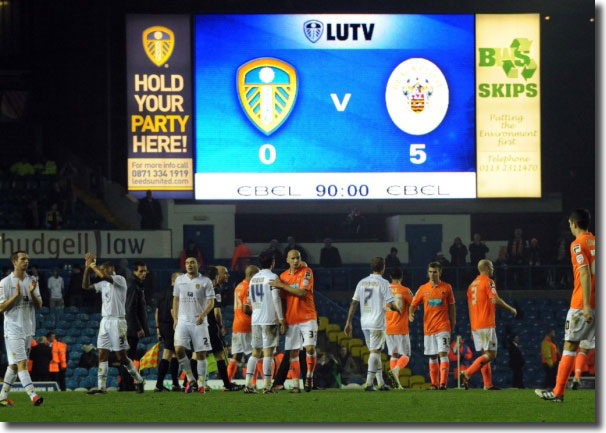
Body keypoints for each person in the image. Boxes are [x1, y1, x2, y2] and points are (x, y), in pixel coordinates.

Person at [536, 209, 595, 403]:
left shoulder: (577, 244)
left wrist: (586, 305)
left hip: (582, 303)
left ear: (574, 224)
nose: (570, 227)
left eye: (570, 224)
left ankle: (558, 392)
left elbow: (585, 273)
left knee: (570, 345)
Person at [81, 252, 145, 394]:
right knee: (102, 354)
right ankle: (101, 387)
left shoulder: (120, 279)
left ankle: (139, 380)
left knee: (121, 357)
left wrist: (92, 265)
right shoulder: (103, 284)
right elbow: (85, 286)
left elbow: (103, 276)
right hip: (105, 321)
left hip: (118, 322)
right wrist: (87, 268)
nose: (101, 271)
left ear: (111, 269)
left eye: (104, 269)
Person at [344, 257, 401, 391]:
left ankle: (380, 383)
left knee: (375, 352)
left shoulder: (362, 282)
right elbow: (391, 304)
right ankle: (369, 383)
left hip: (365, 322)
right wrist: (398, 310)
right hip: (377, 322)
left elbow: (354, 303)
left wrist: (348, 322)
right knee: (375, 352)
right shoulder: (384, 283)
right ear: (383, 267)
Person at [459, 259, 517, 391]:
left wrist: (472, 326)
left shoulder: (471, 285)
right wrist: (511, 309)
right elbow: (495, 299)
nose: (493, 269)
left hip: (476, 324)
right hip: (486, 323)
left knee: (485, 354)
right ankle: (467, 373)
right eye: (491, 267)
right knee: (492, 355)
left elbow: (469, 307)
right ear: (486, 268)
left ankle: (488, 384)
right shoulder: (489, 282)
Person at [269, 250, 318, 392]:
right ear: (287, 260)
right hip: (292, 319)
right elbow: (283, 300)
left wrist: (282, 285)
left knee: (310, 348)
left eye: (298, 258)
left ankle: (309, 375)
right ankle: (296, 385)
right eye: (293, 258)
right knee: (293, 352)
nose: (296, 261)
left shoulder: (306, 272)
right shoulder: (283, 276)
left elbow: (302, 292)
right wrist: (282, 319)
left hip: (308, 317)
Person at [0, 251, 44, 407]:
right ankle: (33, 395)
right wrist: (16, 295)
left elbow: (39, 305)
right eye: (23, 259)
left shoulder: (33, 281)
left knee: (13, 365)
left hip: (28, 329)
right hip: (13, 329)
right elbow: (1, 308)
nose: (26, 262)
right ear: (14, 262)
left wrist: (32, 293)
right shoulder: (4, 283)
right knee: (22, 364)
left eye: (28, 259)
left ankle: (2, 397)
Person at [243, 251, 285, 394]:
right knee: (268, 353)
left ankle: (248, 384)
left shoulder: (254, 278)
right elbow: (276, 299)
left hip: (255, 320)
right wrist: (281, 318)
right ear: (272, 262)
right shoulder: (272, 277)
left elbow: (249, 302)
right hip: (269, 319)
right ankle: (267, 385)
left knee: (255, 352)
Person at [409, 261, 455, 390]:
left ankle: (443, 384)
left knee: (443, 353)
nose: (432, 274)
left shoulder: (447, 287)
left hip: (443, 326)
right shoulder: (423, 288)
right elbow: (413, 304)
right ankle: (434, 384)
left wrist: (453, 321)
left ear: (440, 273)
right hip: (428, 328)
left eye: (435, 272)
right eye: (430, 271)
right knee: (432, 356)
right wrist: (410, 314)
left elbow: (452, 306)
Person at [172, 256, 214, 394]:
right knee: (178, 350)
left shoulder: (205, 281)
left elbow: (211, 302)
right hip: (183, 321)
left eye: (192, 262)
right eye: (187, 263)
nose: (189, 265)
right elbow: (176, 300)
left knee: (201, 354)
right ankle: (191, 379)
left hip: (199, 321)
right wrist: (175, 319)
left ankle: (202, 382)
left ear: (198, 264)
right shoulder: (179, 280)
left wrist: (203, 315)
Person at [204, 265, 243, 391]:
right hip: (211, 326)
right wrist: (220, 326)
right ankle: (227, 384)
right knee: (220, 355)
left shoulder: (201, 288)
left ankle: (193, 382)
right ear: (218, 275)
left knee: (198, 354)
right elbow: (216, 312)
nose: (228, 275)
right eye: (225, 273)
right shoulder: (215, 289)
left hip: (200, 326)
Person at [120, 261, 150, 391]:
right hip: (131, 328)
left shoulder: (136, 285)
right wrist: (138, 328)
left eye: (145, 271)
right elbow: (130, 308)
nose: (144, 274)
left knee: (129, 357)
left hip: (130, 327)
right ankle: (126, 385)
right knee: (128, 358)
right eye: (141, 271)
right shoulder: (133, 285)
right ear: (134, 272)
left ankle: (125, 385)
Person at [227, 265, 258, 383]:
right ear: (251, 275)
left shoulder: (239, 286)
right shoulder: (249, 287)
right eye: (257, 275)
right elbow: (246, 309)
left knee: (237, 356)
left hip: (236, 325)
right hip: (246, 325)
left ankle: (227, 382)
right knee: (254, 354)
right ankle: (252, 383)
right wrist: (258, 311)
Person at [385, 267, 413, 389]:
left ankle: (396, 383)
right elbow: (414, 304)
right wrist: (412, 313)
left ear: (390, 277)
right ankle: (395, 370)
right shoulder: (405, 290)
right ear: (402, 277)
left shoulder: (384, 290)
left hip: (388, 328)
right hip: (401, 328)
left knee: (394, 355)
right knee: (406, 355)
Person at [154, 272, 182, 392]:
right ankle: (159, 385)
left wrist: (158, 329)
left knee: (175, 354)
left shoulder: (162, 292)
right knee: (167, 355)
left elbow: (157, 311)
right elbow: (172, 309)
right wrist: (177, 323)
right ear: (175, 281)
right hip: (172, 326)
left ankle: (175, 384)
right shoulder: (175, 293)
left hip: (163, 326)